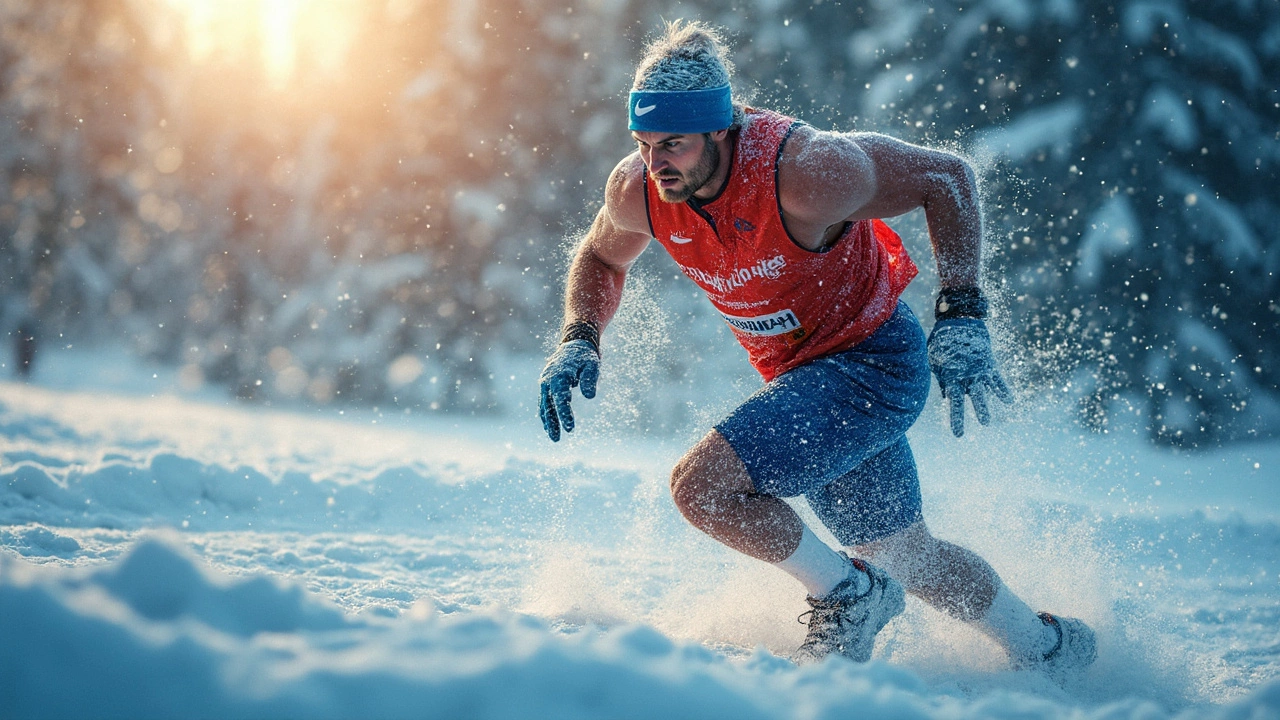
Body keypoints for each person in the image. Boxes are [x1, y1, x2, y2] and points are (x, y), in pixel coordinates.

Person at [538, 20, 1095, 675]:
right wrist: (579, 336)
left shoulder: (806, 173)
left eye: (674, 145)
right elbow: (602, 255)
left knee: (703, 490)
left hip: (871, 366)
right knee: (904, 554)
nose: (656, 164)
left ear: (722, 130)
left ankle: (848, 595)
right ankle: (1046, 646)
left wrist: (964, 311)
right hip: (808, 378)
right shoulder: (638, 191)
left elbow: (946, 177)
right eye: (643, 143)